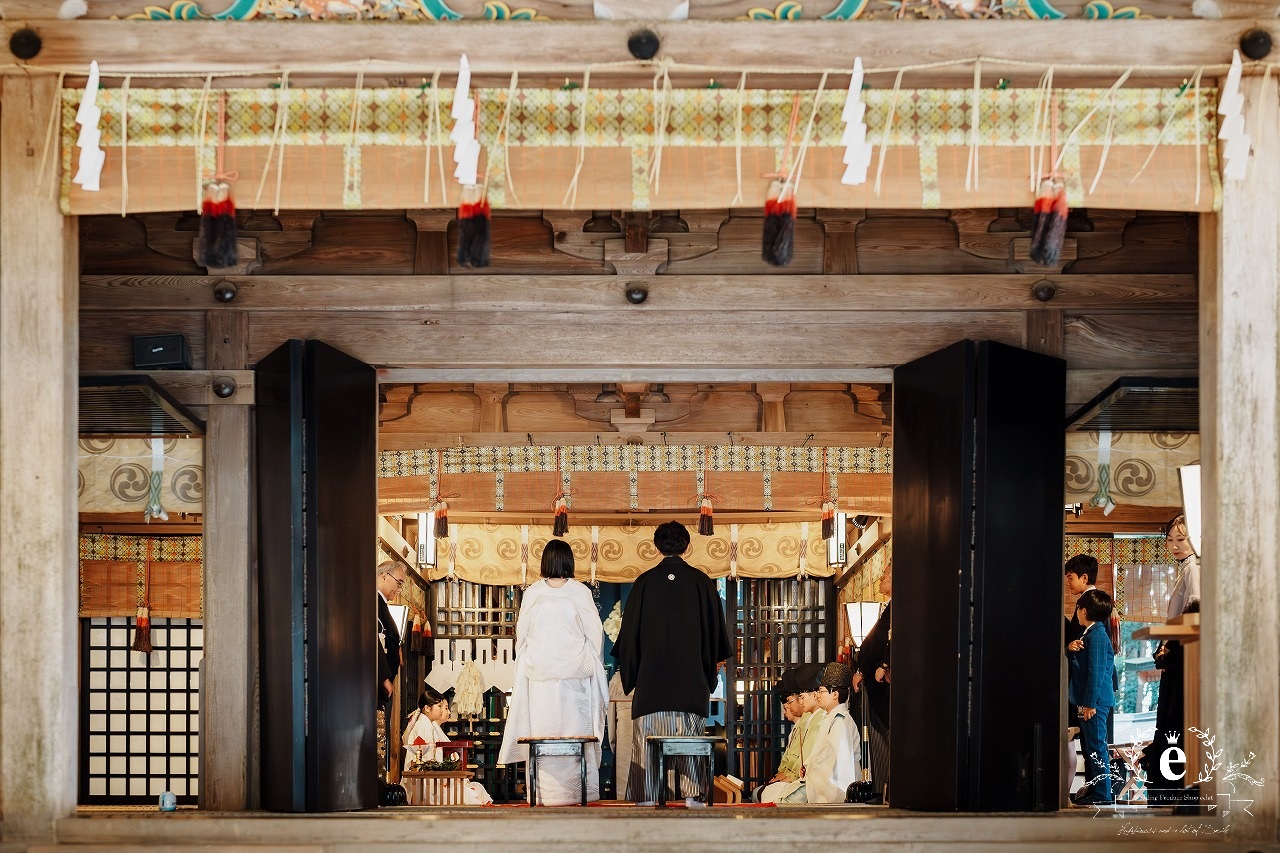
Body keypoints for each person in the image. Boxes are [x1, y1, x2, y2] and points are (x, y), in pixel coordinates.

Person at [612, 520, 732, 804]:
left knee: (646, 749)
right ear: (687, 547)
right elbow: (716, 636)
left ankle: (645, 799)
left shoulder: (644, 583)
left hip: (651, 691)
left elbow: (628, 638)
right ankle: (694, 800)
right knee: (689, 749)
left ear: (656, 547)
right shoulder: (702, 583)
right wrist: (708, 672)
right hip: (690, 690)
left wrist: (634, 675)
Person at [497, 539, 609, 805]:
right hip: (574, 680)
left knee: (546, 734)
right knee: (570, 735)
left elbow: (522, 636)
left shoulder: (535, 593)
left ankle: (545, 795)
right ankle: (576, 793)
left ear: (545, 561)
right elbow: (595, 636)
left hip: (543, 679)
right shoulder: (578, 592)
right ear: (569, 561)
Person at [1141, 514, 1201, 804]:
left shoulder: (1194, 569)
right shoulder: (1185, 569)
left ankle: (1174, 793)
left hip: (1185, 654)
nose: (1175, 545)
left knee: (1174, 721)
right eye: (1170, 540)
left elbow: (1193, 613)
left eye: (1182, 539)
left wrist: (1170, 647)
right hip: (1178, 652)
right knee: (1171, 721)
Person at [766, 662, 861, 804]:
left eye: (821, 691)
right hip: (819, 785)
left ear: (834, 694)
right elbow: (820, 753)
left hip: (834, 792)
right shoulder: (829, 718)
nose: (817, 696)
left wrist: (811, 770)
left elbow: (837, 763)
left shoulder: (840, 721)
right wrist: (807, 766)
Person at [1068, 588, 1119, 806]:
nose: (1076, 612)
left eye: (1078, 608)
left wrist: (1089, 704)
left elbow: (1096, 672)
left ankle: (1103, 794)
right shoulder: (1089, 633)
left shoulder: (1097, 635)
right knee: (1092, 746)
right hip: (1092, 701)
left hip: (1095, 702)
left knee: (1097, 746)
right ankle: (1099, 791)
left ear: (1084, 610)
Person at [402, 688, 493, 805]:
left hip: (432, 775)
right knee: (465, 796)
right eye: (439, 707)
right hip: (426, 779)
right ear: (427, 708)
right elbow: (426, 756)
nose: (442, 711)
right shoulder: (423, 726)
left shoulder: (428, 724)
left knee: (472, 791)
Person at [755, 663, 826, 803]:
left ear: (815, 694)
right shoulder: (811, 719)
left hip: (813, 784)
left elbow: (807, 762)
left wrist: (790, 778)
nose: (801, 701)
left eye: (802, 696)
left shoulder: (821, 719)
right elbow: (792, 762)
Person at [854, 564, 892, 801]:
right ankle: (880, 788)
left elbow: (893, 637)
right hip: (872, 678)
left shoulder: (903, 604)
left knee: (887, 736)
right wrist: (860, 668)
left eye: (886, 574)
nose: (880, 578)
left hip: (882, 679)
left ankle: (887, 789)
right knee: (878, 737)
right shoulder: (886, 607)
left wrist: (885, 665)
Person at [376, 559, 408, 708]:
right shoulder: (372, 602)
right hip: (377, 682)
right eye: (399, 583)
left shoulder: (381, 604)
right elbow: (371, 642)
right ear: (384, 576)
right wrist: (383, 677)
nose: (399, 588)